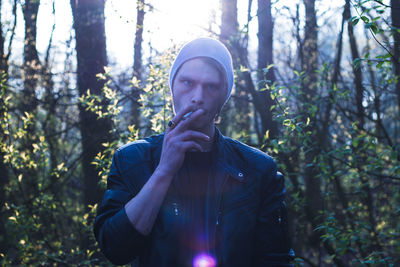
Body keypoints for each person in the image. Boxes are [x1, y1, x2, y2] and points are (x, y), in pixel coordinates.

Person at [94, 37, 295, 266]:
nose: (197, 97)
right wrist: (164, 171)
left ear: (223, 96)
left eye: (211, 86)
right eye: (188, 82)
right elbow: (114, 248)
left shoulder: (258, 170)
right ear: (173, 88)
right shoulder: (131, 160)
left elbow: (275, 259)